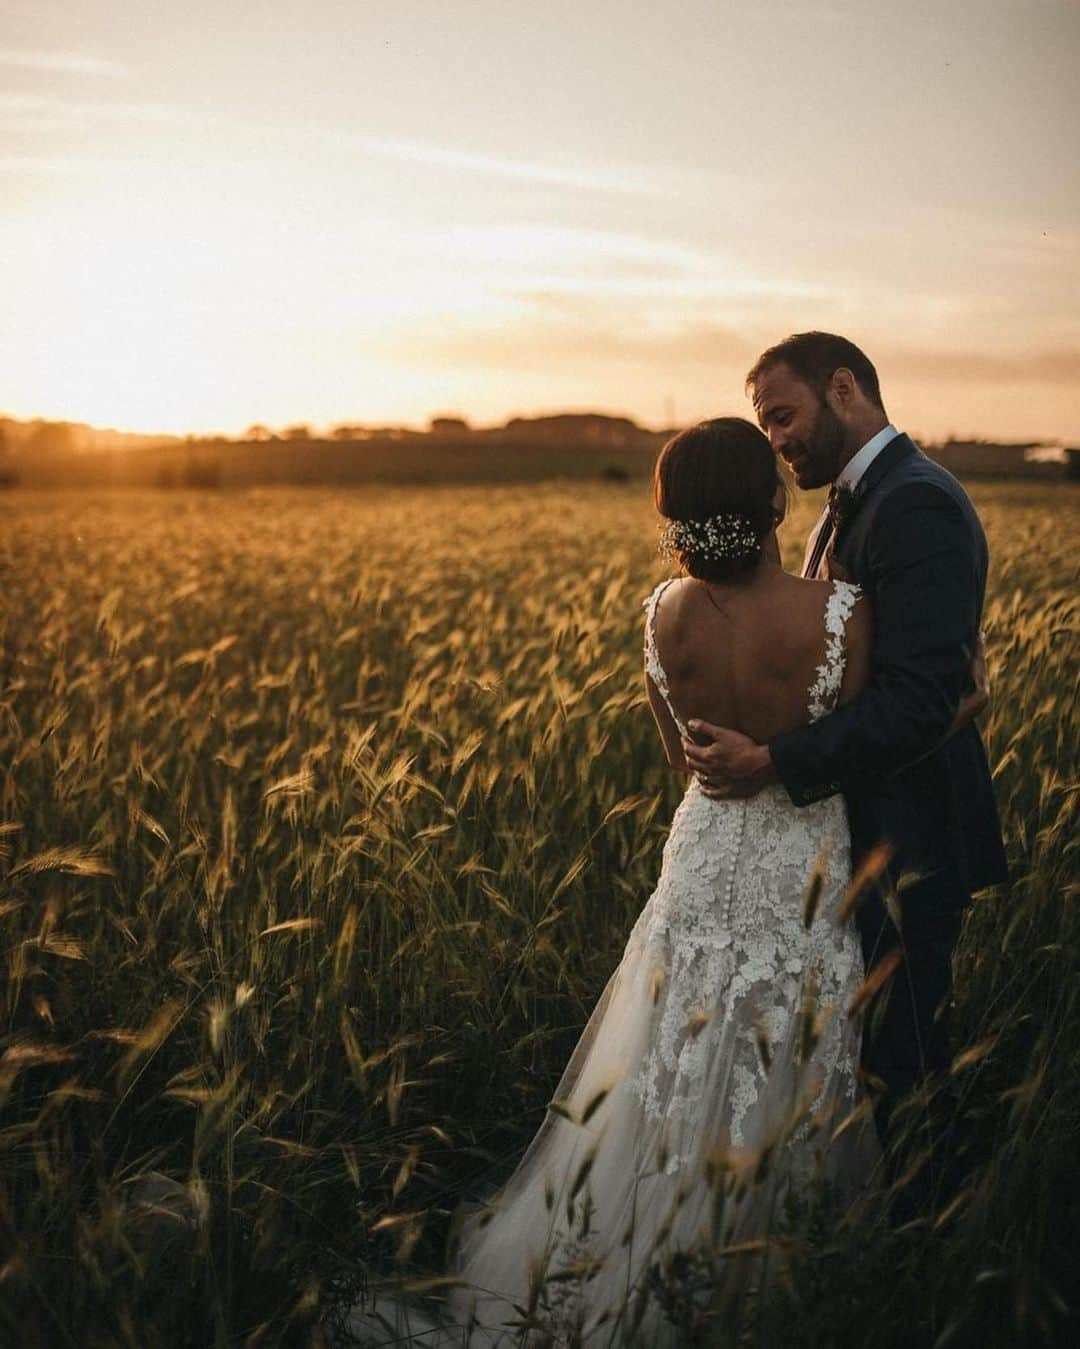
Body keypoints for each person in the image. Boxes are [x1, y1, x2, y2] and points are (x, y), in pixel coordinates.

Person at [349, 418, 880, 1347]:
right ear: (771, 503)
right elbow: (865, 748)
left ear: (673, 512)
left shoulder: (660, 612)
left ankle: (638, 1255)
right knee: (797, 1039)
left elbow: (685, 759)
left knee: (671, 1049)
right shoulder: (841, 613)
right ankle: (784, 1276)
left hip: (707, 854)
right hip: (806, 861)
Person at [682, 333, 1008, 1213]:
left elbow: (913, 701)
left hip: (910, 836)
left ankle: (924, 1242)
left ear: (844, 386)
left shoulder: (916, 505)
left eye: (784, 416)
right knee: (869, 1057)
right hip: (852, 832)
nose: (778, 441)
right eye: (767, 427)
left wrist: (773, 760)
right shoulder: (848, 504)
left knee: (905, 1063)